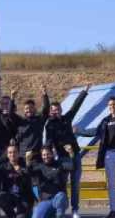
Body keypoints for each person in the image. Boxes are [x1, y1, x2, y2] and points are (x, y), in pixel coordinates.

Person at [44, 84, 89, 218]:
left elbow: (76, 106)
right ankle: (61, 209)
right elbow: (48, 141)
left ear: (61, 110)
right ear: (51, 112)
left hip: (75, 156)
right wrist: (46, 154)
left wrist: (84, 91)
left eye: (58, 109)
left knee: (75, 184)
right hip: (62, 159)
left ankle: (75, 210)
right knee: (61, 185)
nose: (56, 112)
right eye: (53, 110)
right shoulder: (50, 124)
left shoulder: (67, 118)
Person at [28, 144, 73, 218]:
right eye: (44, 155)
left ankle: (59, 216)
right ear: (41, 156)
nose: (46, 156)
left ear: (52, 154)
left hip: (59, 199)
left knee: (60, 196)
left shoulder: (59, 164)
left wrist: (71, 153)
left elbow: (71, 166)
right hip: (45, 201)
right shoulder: (39, 167)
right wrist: (28, 160)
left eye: (48, 154)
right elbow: (29, 172)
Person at [0, 144, 31, 218]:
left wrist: (22, 173)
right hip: (11, 196)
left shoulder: (25, 164)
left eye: (15, 152)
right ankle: (11, 215)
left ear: (18, 153)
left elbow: (31, 177)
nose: (12, 154)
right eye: (10, 152)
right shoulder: (4, 167)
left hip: (24, 197)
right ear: (7, 154)